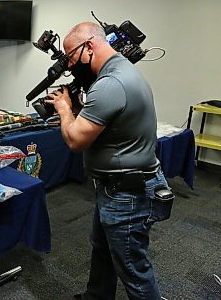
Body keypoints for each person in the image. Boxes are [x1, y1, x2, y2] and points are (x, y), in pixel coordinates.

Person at [46, 22, 173, 300]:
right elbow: (105, 125)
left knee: (133, 269)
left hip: (127, 193)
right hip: (116, 188)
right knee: (103, 251)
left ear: (89, 46)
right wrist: (78, 108)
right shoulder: (120, 70)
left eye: (70, 57)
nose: (68, 65)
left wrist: (64, 109)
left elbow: (76, 140)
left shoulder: (110, 84)